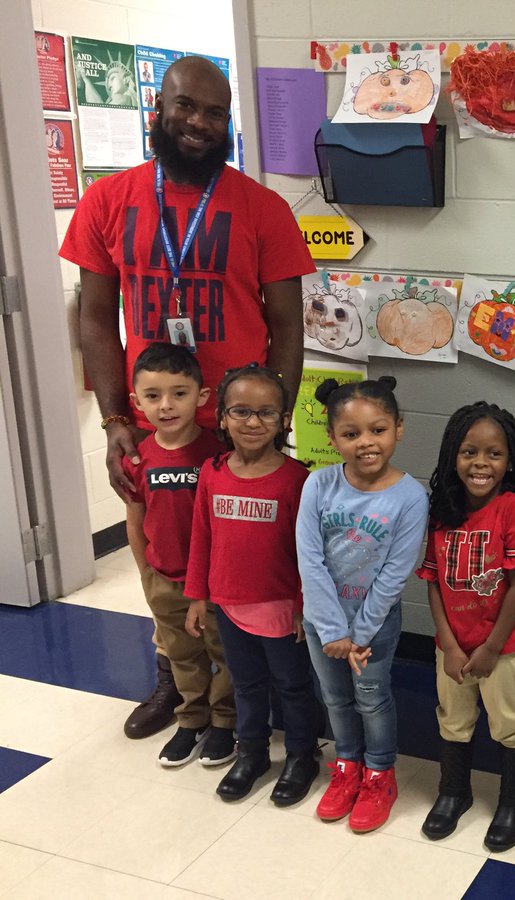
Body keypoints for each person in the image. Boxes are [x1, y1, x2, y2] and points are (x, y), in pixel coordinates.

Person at [60, 55, 314, 738]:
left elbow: (287, 324)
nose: (200, 123)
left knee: (247, 569)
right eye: (187, 107)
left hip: (238, 433)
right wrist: (117, 419)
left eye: (215, 112)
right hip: (159, 425)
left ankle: (245, 694)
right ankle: (176, 683)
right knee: (163, 568)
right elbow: (94, 314)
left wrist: (276, 417)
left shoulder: (262, 208)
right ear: (159, 109)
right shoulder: (109, 201)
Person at [183, 363, 322, 806]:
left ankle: (302, 756)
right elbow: (201, 537)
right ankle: (253, 753)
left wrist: (304, 605)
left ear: (284, 420)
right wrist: (198, 596)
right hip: (229, 605)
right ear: (222, 417)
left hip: (282, 608)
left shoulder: (299, 479)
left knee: (293, 686)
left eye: (266, 412)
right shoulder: (212, 472)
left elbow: (309, 553)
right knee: (245, 684)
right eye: (241, 411)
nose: (253, 422)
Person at [296, 376, 428, 834]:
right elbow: (309, 559)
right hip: (323, 625)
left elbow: (395, 573)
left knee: (371, 698)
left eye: (378, 430)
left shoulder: (410, 496)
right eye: (351, 434)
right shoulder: (317, 484)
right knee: (333, 697)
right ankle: (347, 766)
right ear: (333, 438)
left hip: (375, 626)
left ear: (399, 429)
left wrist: (360, 633)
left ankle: (379, 775)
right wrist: (333, 631)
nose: (366, 443)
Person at [417, 402, 515, 852]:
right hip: (453, 647)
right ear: (454, 454)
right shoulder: (443, 510)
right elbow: (432, 581)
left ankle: (514, 804)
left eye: (494, 454)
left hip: (500, 649)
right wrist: (449, 644)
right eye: (470, 452)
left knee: (509, 724)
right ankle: (453, 792)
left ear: (510, 461)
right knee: (454, 721)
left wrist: (491, 648)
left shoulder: (514, 510)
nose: (481, 464)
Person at [121, 343, 233, 769]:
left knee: (223, 654)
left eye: (179, 393)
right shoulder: (137, 457)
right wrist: (145, 572)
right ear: (137, 403)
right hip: (164, 578)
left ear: (202, 397)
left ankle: (225, 722)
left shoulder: (216, 455)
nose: (166, 405)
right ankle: (191, 719)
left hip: (213, 582)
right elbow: (136, 517)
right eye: (153, 396)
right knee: (182, 654)